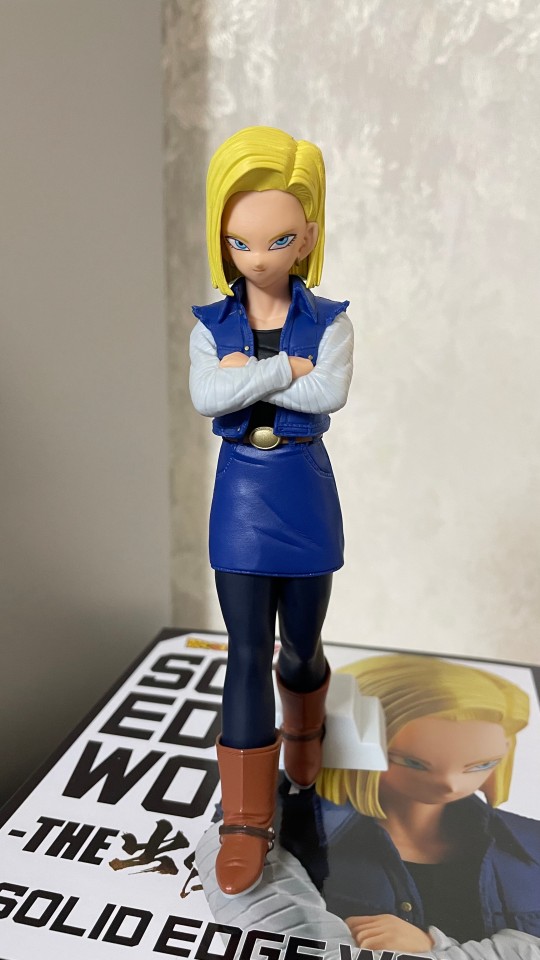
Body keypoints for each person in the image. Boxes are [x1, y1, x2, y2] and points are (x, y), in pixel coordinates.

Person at [189, 126, 353, 897]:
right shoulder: (210, 325)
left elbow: (329, 394)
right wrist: (285, 367)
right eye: (241, 241)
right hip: (242, 495)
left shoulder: (333, 321)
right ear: (222, 239)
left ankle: (307, 732)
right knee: (246, 649)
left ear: (308, 237)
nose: (259, 257)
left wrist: (249, 376)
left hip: (303, 489)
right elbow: (207, 397)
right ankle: (247, 817)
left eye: (280, 239)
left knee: (302, 644)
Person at [196, 654, 540, 959]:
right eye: (414, 763)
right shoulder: (277, 814)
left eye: (481, 764)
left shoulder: (530, 842)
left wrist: (434, 946)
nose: (450, 784)